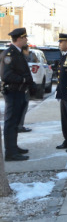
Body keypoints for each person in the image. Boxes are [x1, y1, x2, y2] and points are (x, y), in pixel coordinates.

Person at [0, 28, 33, 161]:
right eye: (25, 38)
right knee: (11, 122)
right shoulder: (9, 54)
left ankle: (14, 147)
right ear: (19, 39)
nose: (27, 40)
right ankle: (10, 152)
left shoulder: (17, 52)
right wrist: (24, 80)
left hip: (19, 92)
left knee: (15, 122)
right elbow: (6, 75)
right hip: (13, 92)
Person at [17, 45, 33, 133]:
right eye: (28, 51)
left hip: (23, 87)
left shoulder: (23, 59)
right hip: (22, 87)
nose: (28, 53)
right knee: (23, 107)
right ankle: (19, 126)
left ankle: (20, 125)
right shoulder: (21, 59)